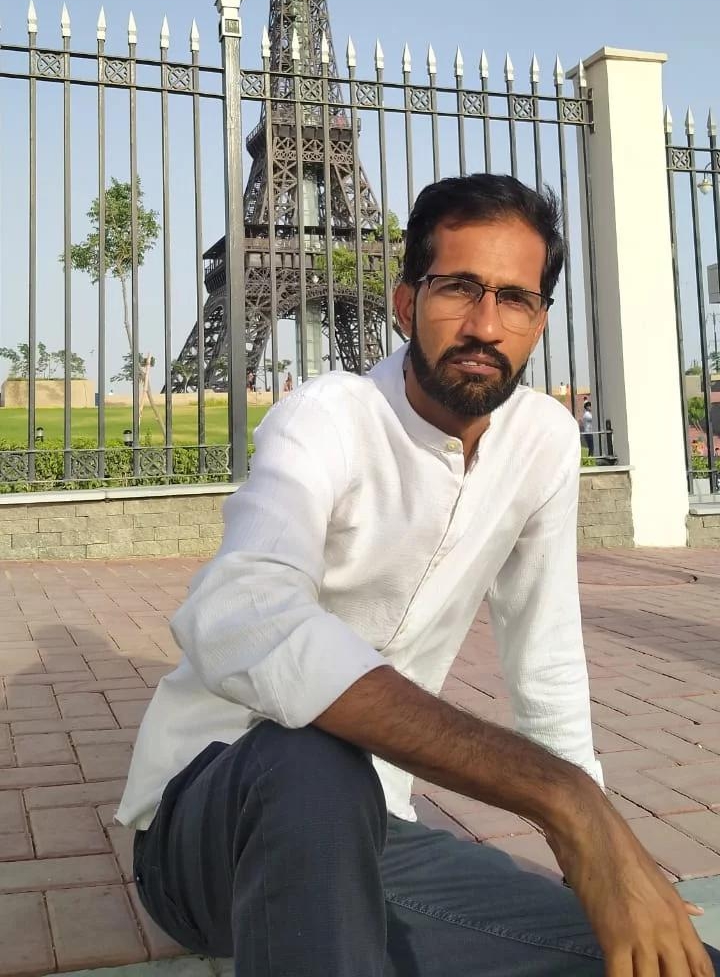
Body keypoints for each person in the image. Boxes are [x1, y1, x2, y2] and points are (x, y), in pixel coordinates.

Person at [117, 174, 719, 977]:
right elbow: (239, 612)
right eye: (458, 288)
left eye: (515, 299)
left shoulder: (543, 441)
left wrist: (600, 852)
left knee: (665, 960)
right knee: (310, 754)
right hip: (209, 826)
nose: (484, 325)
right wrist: (563, 799)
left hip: (374, 837)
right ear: (405, 304)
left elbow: (545, 658)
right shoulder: (328, 417)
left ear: (539, 322)